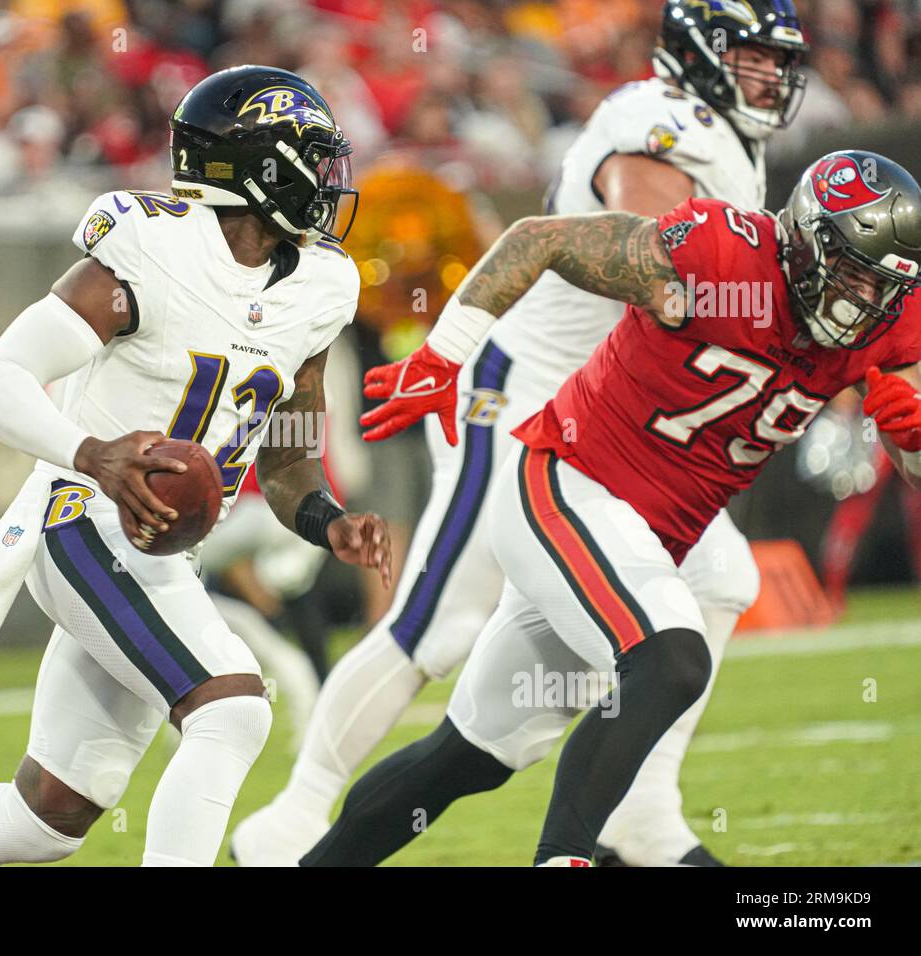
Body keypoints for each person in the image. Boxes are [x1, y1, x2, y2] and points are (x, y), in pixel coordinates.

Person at [0, 65, 391, 868]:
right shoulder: (153, 249)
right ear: (262, 164)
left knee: (47, 818)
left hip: (160, 552)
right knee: (233, 711)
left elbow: (293, 457)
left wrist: (330, 522)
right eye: (315, 157)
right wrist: (96, 453)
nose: (331, 181)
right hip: (82, 521)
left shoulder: (320, 286)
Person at [235, 0, 810, 866]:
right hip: (520, 394)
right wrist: (698, 293)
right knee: (438, 624)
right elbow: (650, 239)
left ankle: (641, 815)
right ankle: (292, 822)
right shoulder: (664, 121)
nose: (771, 75)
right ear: (698, 52)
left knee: (721, 572)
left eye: (780, 60)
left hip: (607, 417)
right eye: (755, 56)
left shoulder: (726, 132)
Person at [300, 148, 921, 866]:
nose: (863, 302)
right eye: (851, 275)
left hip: (645, 538)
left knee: (471, 753)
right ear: (806, 241)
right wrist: (445, 356)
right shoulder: (720, 252)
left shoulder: (893, 319)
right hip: (567, 483)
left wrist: (912, 440)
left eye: (883, 286)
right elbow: (543, 239)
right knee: (671, 656)